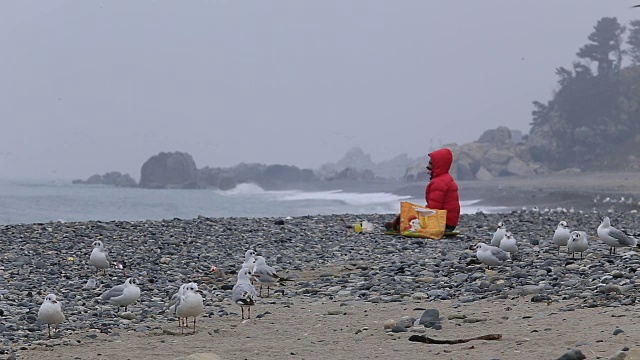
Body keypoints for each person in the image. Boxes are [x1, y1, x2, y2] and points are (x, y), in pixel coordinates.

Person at [385, 147, 460, 232]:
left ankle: (396, 226)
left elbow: (433, 209)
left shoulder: (439, 182)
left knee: (408, 213)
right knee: (413, 212)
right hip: (449, 223)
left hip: (443, 223)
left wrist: (419, 213)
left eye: (430, 168)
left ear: (437, 166)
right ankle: (395, 225)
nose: (428, 172)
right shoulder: (445, 179)